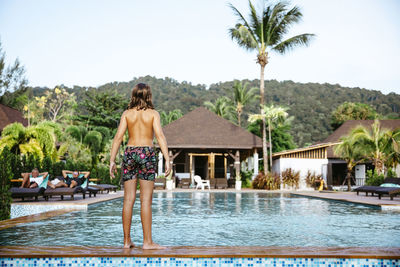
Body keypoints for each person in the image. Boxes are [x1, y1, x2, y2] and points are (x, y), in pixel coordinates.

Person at [109, 83, 171, 250]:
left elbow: (118, 138)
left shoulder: (127, 114)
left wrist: (112, 160)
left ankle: (126, 241)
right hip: (147, 154)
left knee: (128, 199)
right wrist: (167, 159)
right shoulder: (153, 114)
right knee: (146, 200)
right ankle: (147, 242)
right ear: (148, 95)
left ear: (134, 95)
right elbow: (160, 137)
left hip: (129, 152)